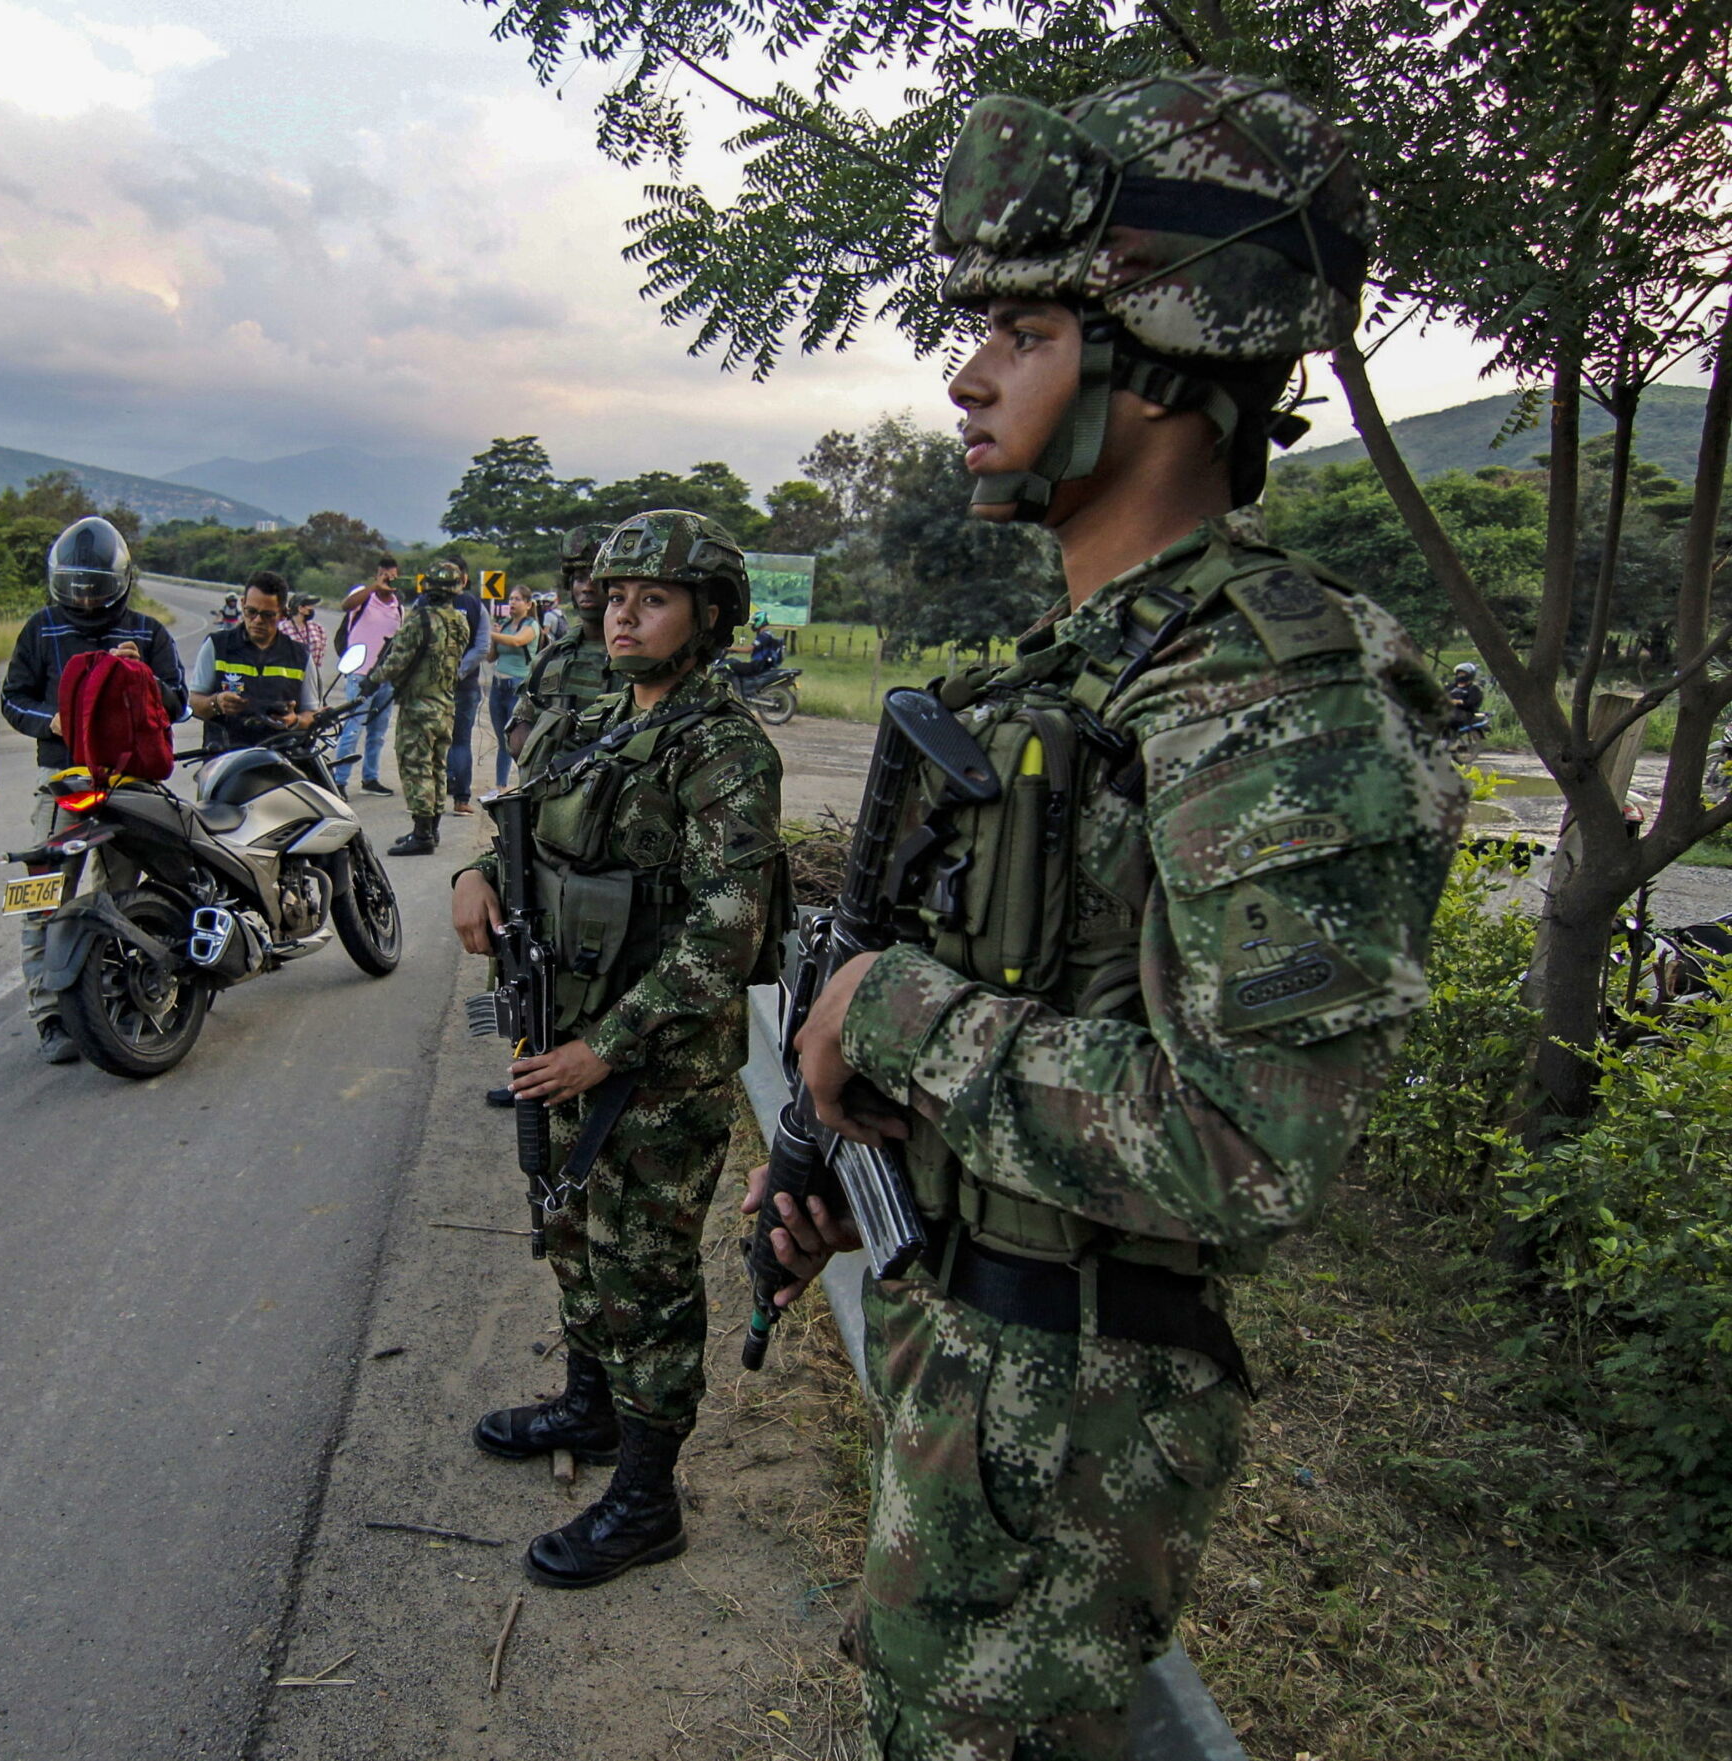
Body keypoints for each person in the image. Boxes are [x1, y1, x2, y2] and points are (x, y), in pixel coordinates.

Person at [750, 71, 1461, 1759]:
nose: (966, 370)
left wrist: (896, 1017)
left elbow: (1254, 1140)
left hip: (1073, 1437)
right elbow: (1065, 1004)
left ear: (1169, 360)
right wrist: (886, 1172)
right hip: (981, 1362)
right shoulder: (1084, 668)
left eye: (1027, 327)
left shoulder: (1267, 692)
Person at [452, 509, 786, 1588]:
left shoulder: (723, 749)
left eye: (652, 599)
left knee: (644, 1267)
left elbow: (722, 932)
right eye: (613, 597)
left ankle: (646, 1495)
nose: (622, 615)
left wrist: (609, 1046)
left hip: (654, 1063)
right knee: (574, 1233)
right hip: (565, 1031)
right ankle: (593, 1409)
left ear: (708, 617)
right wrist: (476, 876)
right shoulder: (587, 721)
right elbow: (512, 826)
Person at [0, 516, 188, 1065]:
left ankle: (117, 1001)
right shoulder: (41, 629)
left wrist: (143, 680)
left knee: (122, 895)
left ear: (119, 582)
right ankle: (51, 1015)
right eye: (76, 586)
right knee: (39, 900)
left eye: (94, 587)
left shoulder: (149, 633)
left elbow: (177, 702)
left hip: (130, 783)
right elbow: (12, 700)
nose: (84, 597)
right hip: (61, 782)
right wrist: (53, 721)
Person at [366, 559, 468, 856]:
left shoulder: (419, 619)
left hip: (419, 705)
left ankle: (422, 834)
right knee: (436, 767)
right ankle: (429, 829)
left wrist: (372, 681)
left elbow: (397, 660)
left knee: (416, 766)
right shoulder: (460, 621)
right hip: (445, 703)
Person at [515, 524, 615, 753]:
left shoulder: (638, 661)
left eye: (596, 578)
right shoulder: (550, 658)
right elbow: (520, 726)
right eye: (580, 579)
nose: (588, 588)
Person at [194, 570, 312, 753]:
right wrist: (216, 703)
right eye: (251, 612)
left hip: (281, 760)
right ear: (242, 604)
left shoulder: (300, 655)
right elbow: (193, 702)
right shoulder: (217, 646)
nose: (257, 620)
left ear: (282, 613)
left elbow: (311, 713)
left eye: (268, 615)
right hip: (225, 758)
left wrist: (294, 721)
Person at [332, 557, 404, 795]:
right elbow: (346, 605)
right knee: (352, 729)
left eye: (392, 575)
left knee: (377, 733)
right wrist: (374, 587)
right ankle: (339, 780)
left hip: (385, 677)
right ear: (377, 575)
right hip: (359, 675)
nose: (388, 579)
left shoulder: (398, 606)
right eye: (384, 574)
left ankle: (370, 778)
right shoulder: (363, 597)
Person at [445, 559, 491, 815]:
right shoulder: (476, 606)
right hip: (466, 685)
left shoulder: (427, 603)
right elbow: (483, 646)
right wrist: (460, 670)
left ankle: (427, 801)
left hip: (433, 687)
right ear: (464, 578)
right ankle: (461, 800)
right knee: (461, 741)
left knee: (433, 742)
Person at [485, 590, 543, 791]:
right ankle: (501, 787)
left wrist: (490, 633)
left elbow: (518, 641)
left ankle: (524, 786)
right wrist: (495, 637)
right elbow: (491, 657)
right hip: (498, 686)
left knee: (518, 741)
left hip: (517, 686)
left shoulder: (531, 626)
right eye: (511, 599)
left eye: (517, 599)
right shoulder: (506, 626)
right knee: (503, 740)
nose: (512, 602)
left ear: (528, 604)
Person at [724, 613, 787, 684]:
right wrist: (735, 650)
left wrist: (730, 648)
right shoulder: (768, 634)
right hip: (763, 665)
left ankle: (737, 690)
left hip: (758, 665)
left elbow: (749, 649)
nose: (753, 624)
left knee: (729, 666)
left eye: (755, 621)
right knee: (737, 664)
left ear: (760, 621)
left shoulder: (764, 636)